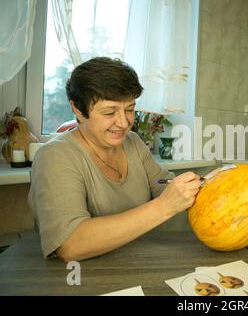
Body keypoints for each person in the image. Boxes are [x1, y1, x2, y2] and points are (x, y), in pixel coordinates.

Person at [28, 57, 201, 261]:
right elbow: (70, 244)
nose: (124, 122)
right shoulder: (54, 156)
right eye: (109, 112)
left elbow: (160, 183)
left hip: (137, 264)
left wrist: (204, 187)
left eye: (129, 109)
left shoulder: (133, 143)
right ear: (77, 109)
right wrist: (164, 206)